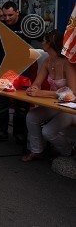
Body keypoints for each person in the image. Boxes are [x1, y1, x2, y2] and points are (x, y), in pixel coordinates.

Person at [22, 31, 76, 161]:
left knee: (48, 131)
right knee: (31, 116)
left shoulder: (67, 63)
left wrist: (42, 93)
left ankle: (68, 152)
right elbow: (37, 83)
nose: (42, 43)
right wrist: (33, 88)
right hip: (54, 104)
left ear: (50, 44)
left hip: (70, 107)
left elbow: (72, 93)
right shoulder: (47, 61)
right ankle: (37, 150)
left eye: (44, 41)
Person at [0, 1, 31, 143]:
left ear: (18, 11)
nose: (8, 18)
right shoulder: (0, 25)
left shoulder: (27, 23)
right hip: (2, 69)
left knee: (21, 105)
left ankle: (19, 133)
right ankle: (1, 133)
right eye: (5, 15)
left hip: (21, 69)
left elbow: (45, 41)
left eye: (10, 15)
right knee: (1, 103)